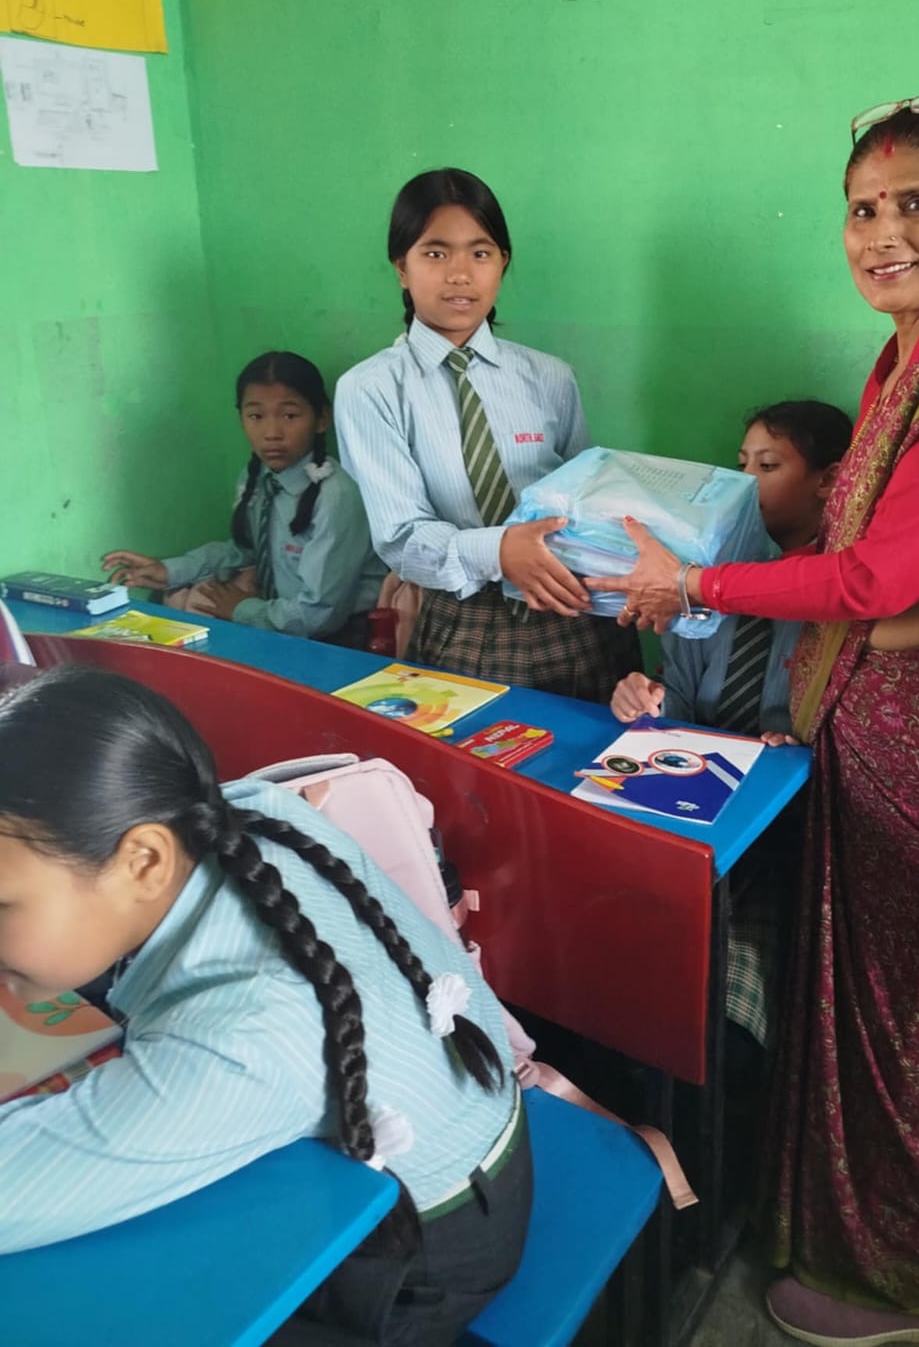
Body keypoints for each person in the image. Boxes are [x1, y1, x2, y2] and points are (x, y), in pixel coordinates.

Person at [588, 92, 919, 1345]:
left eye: (916, 204)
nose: (882, 230)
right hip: (877, 745)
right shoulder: (910, 356)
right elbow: (883, 577)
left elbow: (880, 580)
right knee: (880, 1015)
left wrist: (696, 583)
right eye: (863, 208)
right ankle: (877, 1228)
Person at [0, 664, 530, 1346]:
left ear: (143, 862)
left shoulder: (243, 1035)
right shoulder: (246, 811)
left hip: (426, 1257)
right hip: (460, 1134)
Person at [335, 168, 640, 701]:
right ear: (400, 268)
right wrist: (499, 550)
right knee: (473, 777)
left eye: (480, 253)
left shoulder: (550, 377)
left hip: (574, 612)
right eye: (435, 253)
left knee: (583, 772)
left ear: (503, 263)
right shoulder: (371, 389)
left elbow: (584, 502)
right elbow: (402, 537)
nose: (459, 274)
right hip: (466, 624)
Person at [104, 353, 385, 647]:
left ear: (321, 419)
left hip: (339, 638)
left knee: (209, 619)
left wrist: (242, 609)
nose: (272, 433)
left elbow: (319, 614)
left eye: (289, 416)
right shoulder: (256, 479)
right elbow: (246, 551)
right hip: (280, 618)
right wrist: (170, 571)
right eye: (256, 416)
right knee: (180, 599)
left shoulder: (335, 496)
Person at [609, 400, 851, 739]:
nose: (744, 482)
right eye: (741, 465)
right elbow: (679, 693)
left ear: (828, 479)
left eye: (767, 466)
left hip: (799, 777)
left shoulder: (841, 587)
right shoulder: (701, 573)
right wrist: (648, 699)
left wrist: (802, 744)